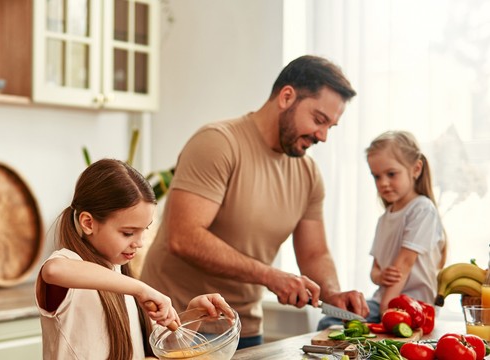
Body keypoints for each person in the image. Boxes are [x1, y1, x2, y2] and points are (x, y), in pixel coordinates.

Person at [139, 55, 369, 349]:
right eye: (319, 120)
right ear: (287, 97)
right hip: (177, 325)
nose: (322, 136)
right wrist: (270, 276)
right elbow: (183, 237)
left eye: (330, 127)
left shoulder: (308, 174)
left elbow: (314, 253)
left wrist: (332, 294)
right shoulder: (218, 143)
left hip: (243, 329)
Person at [36, 158, 235, 359]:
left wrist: (193, 314)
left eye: (144, 229)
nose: (139, 243)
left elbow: (165, 351)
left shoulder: (121, 274)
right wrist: (141, 289)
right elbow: (54, 270)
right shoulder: (70, 267)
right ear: (88, 223)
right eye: (128, 233)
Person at [318, 131, 446, 329]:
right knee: (331, 322)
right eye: (376, 176)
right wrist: (380, 276)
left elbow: (403, 265)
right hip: (383, 301)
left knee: (333, 324)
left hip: (413, 305)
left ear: (416, 169)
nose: (383, 183)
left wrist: (387, 312)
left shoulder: (422, 209)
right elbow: (375, 270)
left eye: (391, 174)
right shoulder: (384, 218)